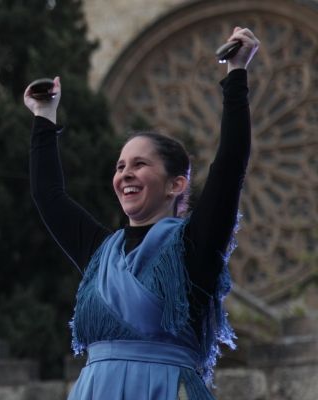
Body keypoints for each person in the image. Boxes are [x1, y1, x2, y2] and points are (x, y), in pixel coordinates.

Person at [26, 27, 259, 399]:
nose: (125, 175)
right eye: (120, 167)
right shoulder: (102, 253)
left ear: (176, 185)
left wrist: (236, 74)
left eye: (139, 164)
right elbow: (48, 196)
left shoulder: (195, 246)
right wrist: (44, 115)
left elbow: (230, 165)